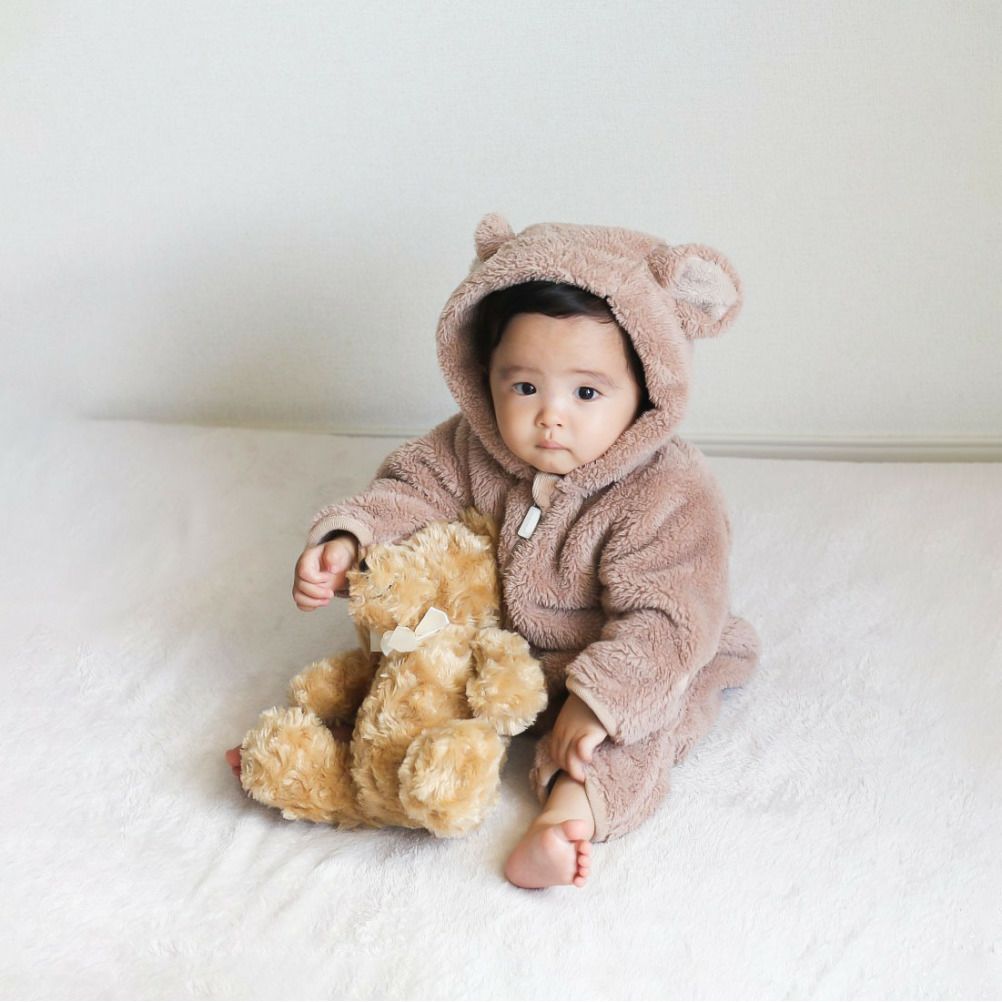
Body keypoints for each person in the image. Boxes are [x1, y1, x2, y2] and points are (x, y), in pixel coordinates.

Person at [227, 214, 760, 889]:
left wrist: (598, 702)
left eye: (586, 392)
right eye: (524, 387)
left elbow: (671, 618)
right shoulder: (471, 446)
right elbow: (413, 490)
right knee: (398, 670)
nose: (550, 415)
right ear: (487, 377)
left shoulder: (668, 493)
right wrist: (349, 540)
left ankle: (567, 818)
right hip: (495, 652)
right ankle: (319, 753)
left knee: (639, 727)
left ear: (647, 390)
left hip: (616, 658)